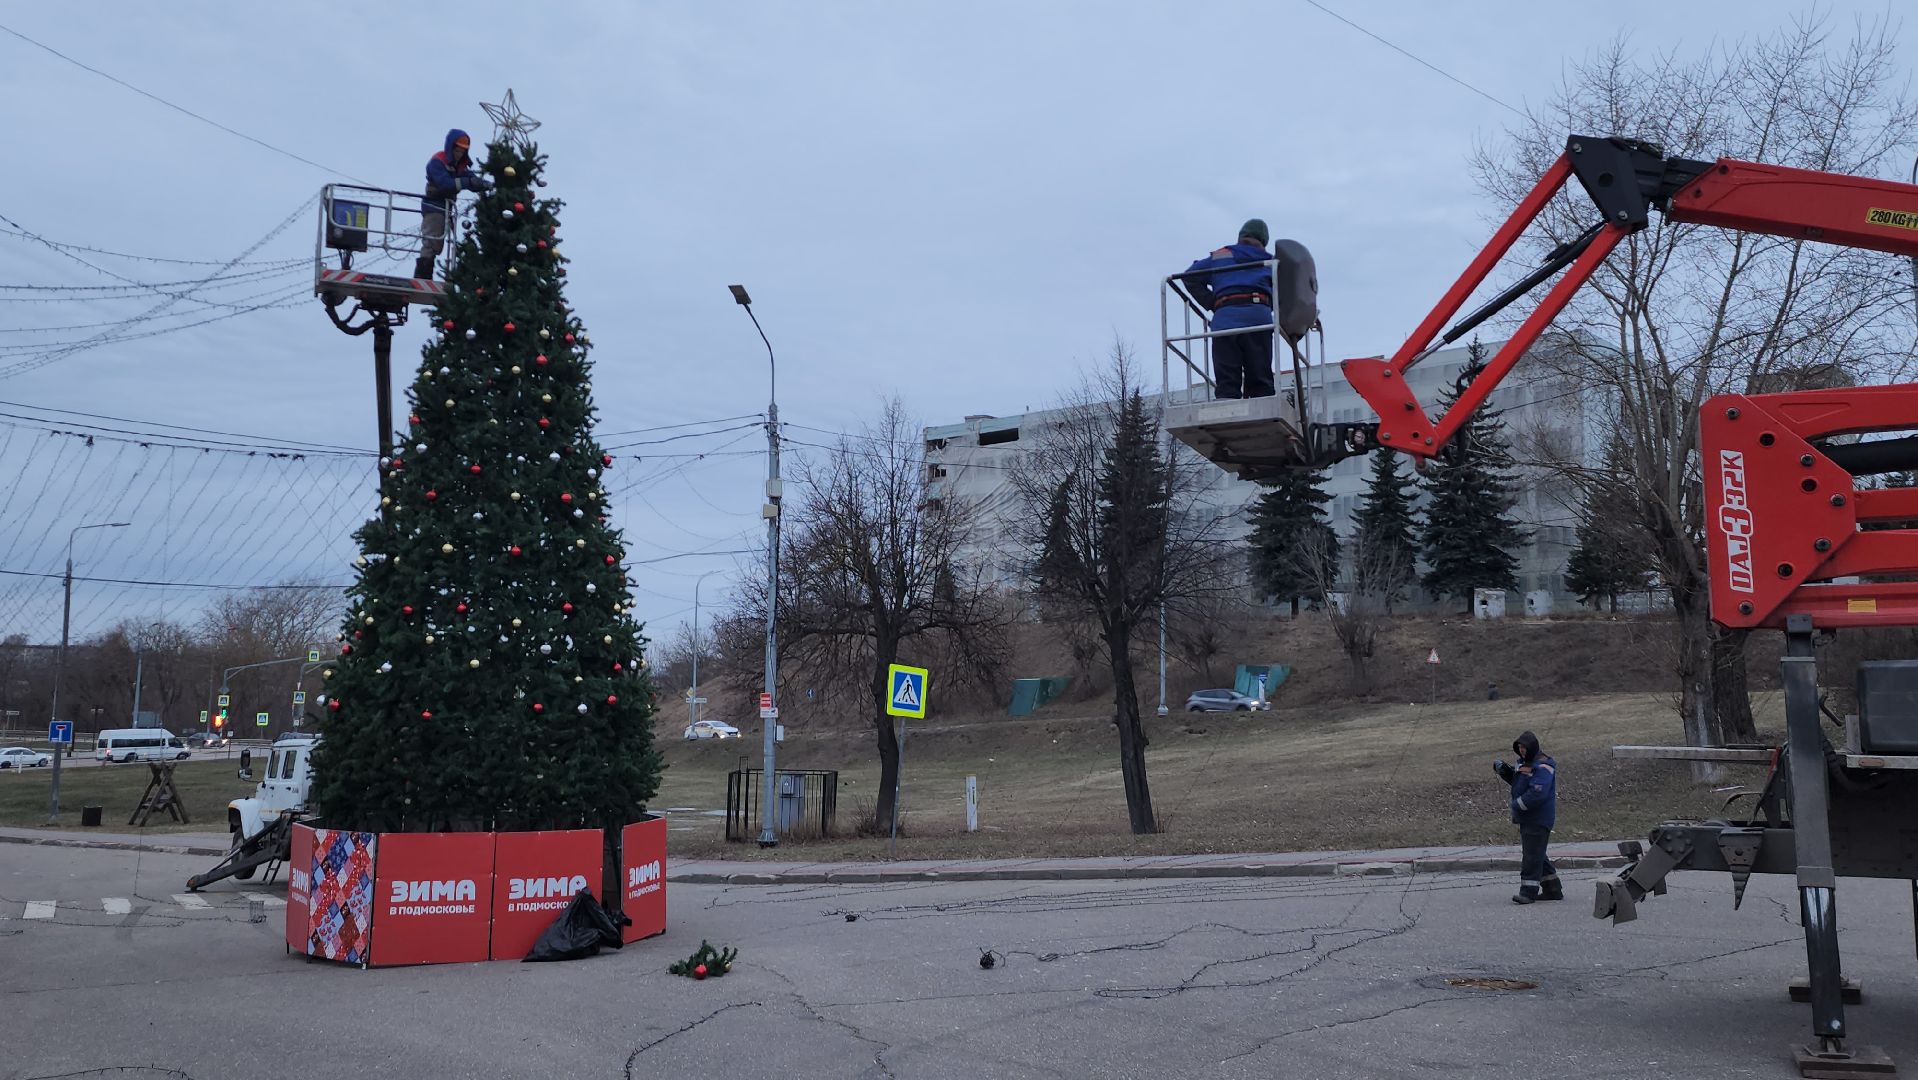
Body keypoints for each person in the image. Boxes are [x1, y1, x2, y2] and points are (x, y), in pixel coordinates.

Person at [1180, 219, 1276, 399]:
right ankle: (1262, 409)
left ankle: (1226, 406)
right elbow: (1285, 292)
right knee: (1260, 380)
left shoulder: (1220, 256)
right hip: (1258, 320)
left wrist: (1211, 302)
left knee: (1227, 381)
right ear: (1264, 241)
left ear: (1241, 236)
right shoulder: (1271, 262)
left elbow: (1189, 277)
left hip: (1225, 322)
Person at [1494, 730, 1560, 904]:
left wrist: (1517, 805)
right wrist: (1506, 772)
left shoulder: (1543, 766)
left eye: (1524, 747)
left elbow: (1537, 793)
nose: (1522, 750)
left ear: (1533, 747)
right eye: (1520, 747)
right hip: (1529, 818)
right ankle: (1553, 889)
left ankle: (1528, 892)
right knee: (1537, 853)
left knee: (1531, 856)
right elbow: (1521, 783)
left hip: (1538, 818)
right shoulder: (1525, 763)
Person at [416, 129, 491, 280]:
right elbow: (445, 184)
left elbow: (469, 177)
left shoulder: (460, 166)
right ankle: (422, 275)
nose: (459, 154)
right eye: (457, 150)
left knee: (438, 244)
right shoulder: (437, 162)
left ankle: (425, 272)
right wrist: (467, 182)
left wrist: (482, 184)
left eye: (463, 151)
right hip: (433, 206)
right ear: (451, 148)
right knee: (431, 241)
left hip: (447, 208)